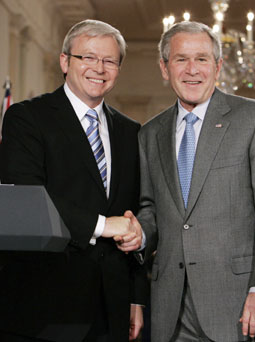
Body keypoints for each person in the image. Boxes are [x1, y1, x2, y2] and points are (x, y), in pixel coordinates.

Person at [117, 21, 255, 341]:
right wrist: (140, 234)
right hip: (170, 309)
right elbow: (150, 207)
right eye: (181, 59)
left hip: (241, 304)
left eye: (201, 59)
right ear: (164, 67)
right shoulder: (150, 133)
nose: (192, 70)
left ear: (218, 66)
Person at [0, 19, 146, 342]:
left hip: (112, 309)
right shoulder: (27, 119)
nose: (99, 68)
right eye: (88, 57)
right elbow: (28, 199)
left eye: (110, 61)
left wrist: (136, 296)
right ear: (65, 62)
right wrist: (102, 225)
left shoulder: (130, 132)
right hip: (45, 307)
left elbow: (133, 212)